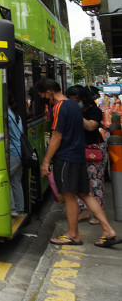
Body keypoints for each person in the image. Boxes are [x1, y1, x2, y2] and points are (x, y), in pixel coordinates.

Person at [37, 78, 119, 247]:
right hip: (79, 155)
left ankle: (73, 235)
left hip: (66, 158)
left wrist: (46, 161)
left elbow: (56, 136)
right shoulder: (74, 106)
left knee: (69, 196)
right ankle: (108, 230)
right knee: (85, 193)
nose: (45, 100)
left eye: (44, 96)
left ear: (49, 93)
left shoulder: (59, 107)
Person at [65, 86, 107, 225]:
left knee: (95, 183)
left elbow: (90, 126)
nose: (74, 104)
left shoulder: (94, 111)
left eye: (75, 101)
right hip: (77, 150)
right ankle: (83, 211)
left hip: (93, 150)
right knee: (78, 182)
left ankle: (98, 213)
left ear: (83, 99)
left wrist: (76, 113)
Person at [7, 93, 25, 216]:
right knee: (16, 181)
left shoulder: (6, 114)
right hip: (20, 151)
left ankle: (12, 209)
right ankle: (20, 209)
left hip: (13, 152)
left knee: (4, 179)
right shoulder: (16, 115)